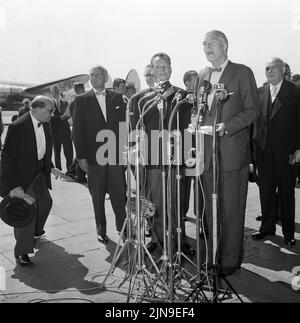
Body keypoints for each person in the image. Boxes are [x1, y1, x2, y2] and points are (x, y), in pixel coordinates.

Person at [197, 30, 259, 276]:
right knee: (211, 210)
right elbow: (201, 110)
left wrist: (228, 126)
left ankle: (230, 261)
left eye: (212, 43)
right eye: (204, 44)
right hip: (207, 154)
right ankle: (214, 257)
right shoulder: (203, 74)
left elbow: (253, 110)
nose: (207, 47)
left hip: (232, 153)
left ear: (225, 45)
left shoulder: (242, 72)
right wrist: (195, 120)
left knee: (231, 209)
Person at [131, 53, 195, 256]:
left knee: (177, 203)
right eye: (157, 68)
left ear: (171, 69)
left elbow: (189, 129)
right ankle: (158, 241)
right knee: (154, 202)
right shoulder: (141, 98)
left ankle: (180, 241)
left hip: (176, 159)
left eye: (165, 67)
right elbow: (134, 129)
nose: (161, 71)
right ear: (152, 69)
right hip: (151, 160)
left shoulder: (182, 95)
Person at [1, 96, 62, 266]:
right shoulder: (17, 126)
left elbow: (42, 149)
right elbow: (7, 159)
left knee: (46, 202)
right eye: (51, 111)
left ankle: (34, 232)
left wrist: (51, 167)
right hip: (21, 176)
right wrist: (14, 186)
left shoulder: (46, 124)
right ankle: (22, 251)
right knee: (27, 210)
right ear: (38, 109)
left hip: (39, 172)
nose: (53, 114)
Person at [73, 65, 127, 244]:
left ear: (105, 78)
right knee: (97, 196)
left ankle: (123, 227)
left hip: (115, 155)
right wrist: (81, 157)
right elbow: (78, 131)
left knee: (119, 194)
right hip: (93, 156)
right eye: (92, 75)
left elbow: (123, 127)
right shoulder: (81, 100)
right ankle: (101, 230)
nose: (94, 78)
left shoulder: (118, 97)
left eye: (98, 75)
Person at [252, 58, 300, 247]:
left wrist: (298, 148)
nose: (269, 71)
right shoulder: (260, 92)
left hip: (287, 153)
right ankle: (267, 228)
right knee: (266, 192)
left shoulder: (294, 91)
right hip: (264, 153)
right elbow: (254, 125)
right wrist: (252, 155)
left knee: (287, 194)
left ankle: (288, 233)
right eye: (266, 68)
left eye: (273, 68)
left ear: (283, 70)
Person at [62, 82, 87, 183]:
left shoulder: (72, 101)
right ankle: (75, 174)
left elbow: (66, 115)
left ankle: (75, 174)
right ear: (83, 88)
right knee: (83, 154)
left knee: (80, 154)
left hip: (76, 132)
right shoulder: (87, 99)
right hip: (85, 132)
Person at [50, 85, 73, 172]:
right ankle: (59, 170)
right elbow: (50, 117)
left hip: (65, 130)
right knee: (57, 152)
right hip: (55, 131)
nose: (56, 92)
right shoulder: (49, 103)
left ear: (59, 91)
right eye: (54, 90)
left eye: (57, 90)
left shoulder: (65, 102)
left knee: (69, 152)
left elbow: (68, 114)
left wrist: (63, 117)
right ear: (51, 92)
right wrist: (61, 117)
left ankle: (70, 170)